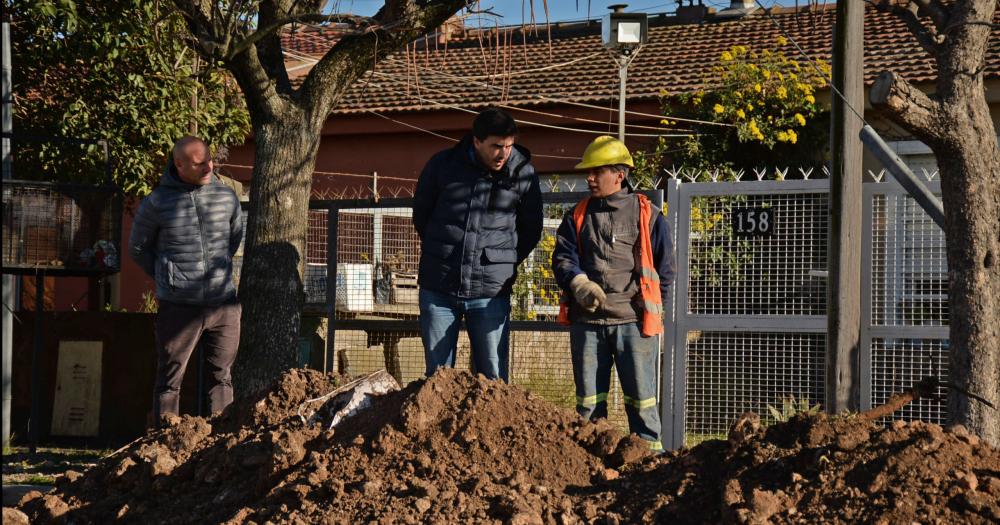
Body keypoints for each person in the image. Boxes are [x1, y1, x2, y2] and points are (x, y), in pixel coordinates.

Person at [551, 136, 676, 452]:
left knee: (642, 401)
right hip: (588, 324)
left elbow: (665, 270)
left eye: (598, 171)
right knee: (589, 404)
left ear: (620, 174)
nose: (590, 178)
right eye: (588, 172)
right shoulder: (576, 217)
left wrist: (654, 312)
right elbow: (563, 258)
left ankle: (648, 461)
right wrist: (579, 284)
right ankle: (589, 460)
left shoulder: (648, 215)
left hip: (632, 324)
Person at [412, 108, 543, 382]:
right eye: (496, 146)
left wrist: (502, 261)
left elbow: (531, 229)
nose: (503, 153)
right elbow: (422, 216)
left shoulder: (523, 175)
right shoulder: (442, 166)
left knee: (493, 381)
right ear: (476, 141)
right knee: (437, 379)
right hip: (439, 287)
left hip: (491, 290)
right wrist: (445, 253)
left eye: (508, 146)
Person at [129, 136, 244, 423]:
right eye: (198, 164)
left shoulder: (227, 197)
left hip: (224, 304)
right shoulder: (157, 202)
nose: (208, 167)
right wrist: (169, 277)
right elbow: (138, 248)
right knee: (170, 379)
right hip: (178, 306)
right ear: (179, 164)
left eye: (209, 160)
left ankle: (222, 443)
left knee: (223, 378)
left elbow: (233, 240)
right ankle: (163, 444)